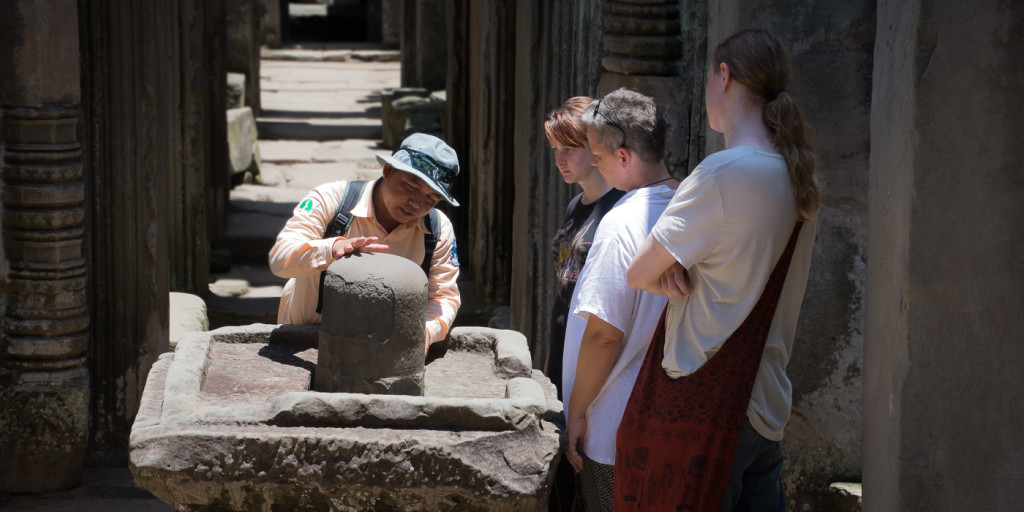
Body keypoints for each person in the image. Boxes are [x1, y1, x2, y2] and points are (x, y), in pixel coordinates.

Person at [619, 30, 819, 512]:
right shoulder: (800, 175)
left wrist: (670, 272)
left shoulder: (722, 173)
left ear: (723, 76)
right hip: (764, 401)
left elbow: (639, 272)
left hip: (705, 401)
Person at [562, 88, 679, 512]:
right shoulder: (688, 207)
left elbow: (603, 336)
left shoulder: (622, 223)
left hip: (612, 425)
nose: (594, 162)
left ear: (624, 156)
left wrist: (575, 414)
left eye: (598, 154)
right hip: (669, 421)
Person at [269, 133, 462, 355]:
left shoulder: (437, 229)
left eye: (431, 198)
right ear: (388, 170)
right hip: (306, 341)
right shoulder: (331, 199)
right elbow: (280, 259)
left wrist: (426, 331)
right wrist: (332, 250)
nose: (416, 203)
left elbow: (444, 296)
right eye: (411, 186)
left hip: (382, 353)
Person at [546, 96, 626, 401]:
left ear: (593, 146)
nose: (559, 160)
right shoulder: (574, 205)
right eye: (556, 150)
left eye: (568, 149)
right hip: (562, 342)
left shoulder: (620, 208)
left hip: (594, 350)